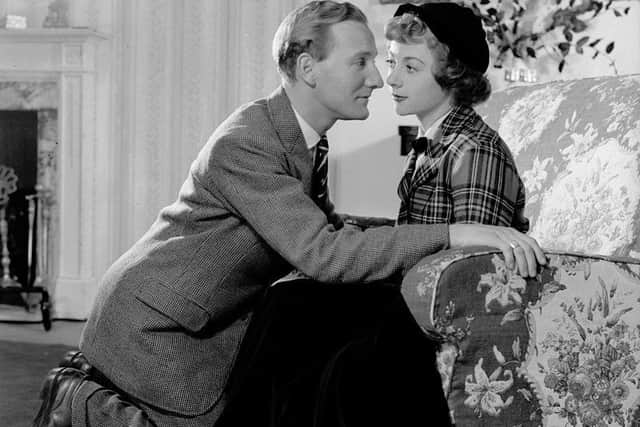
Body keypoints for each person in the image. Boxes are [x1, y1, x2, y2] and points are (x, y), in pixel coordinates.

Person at [33, 2, 545, 427]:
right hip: (157, 329)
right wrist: (453, 232)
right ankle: (82, 407)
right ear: (307, 68)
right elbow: (323, 251)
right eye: (362, 62)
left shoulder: (300, 137)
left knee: (309, 324)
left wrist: (442, 233)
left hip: (200, 312)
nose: (378, 78)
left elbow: (329, 229)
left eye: (389, 63)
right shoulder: (248, 144)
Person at [385, 2, 530, 232]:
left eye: (410, 67)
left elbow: (473, 261)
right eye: (391, 62)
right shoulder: (430, 141)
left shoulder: (476, 151)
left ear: (453, 75)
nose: (392, 79)